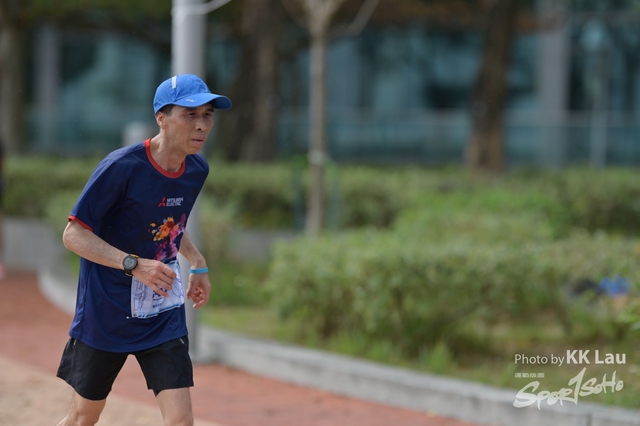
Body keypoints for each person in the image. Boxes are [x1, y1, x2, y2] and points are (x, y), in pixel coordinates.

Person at [56, 74, 231, 426]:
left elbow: (167, 223)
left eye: (207, 115)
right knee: (84, 417)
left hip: (161, 309)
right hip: (106, 310)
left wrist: (197, 262)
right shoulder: (121, 167)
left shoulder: (196, 168)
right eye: (190, 115)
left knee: (180, 420)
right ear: (161, 118)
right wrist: (135, 265)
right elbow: (73, 235)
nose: (201, 126)